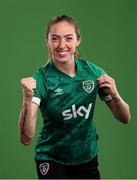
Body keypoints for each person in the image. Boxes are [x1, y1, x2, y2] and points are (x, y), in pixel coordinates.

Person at [18, 15, 131, 179]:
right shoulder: (41, 79)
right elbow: (26, 138)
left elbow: (125, 117)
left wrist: (115, 94)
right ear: (47, 41)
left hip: (86, 156)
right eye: (55, 39)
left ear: (78, 40)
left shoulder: (93, 73)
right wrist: (27, 100)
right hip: (52, 158)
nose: (62, 45)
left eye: (68, 38)